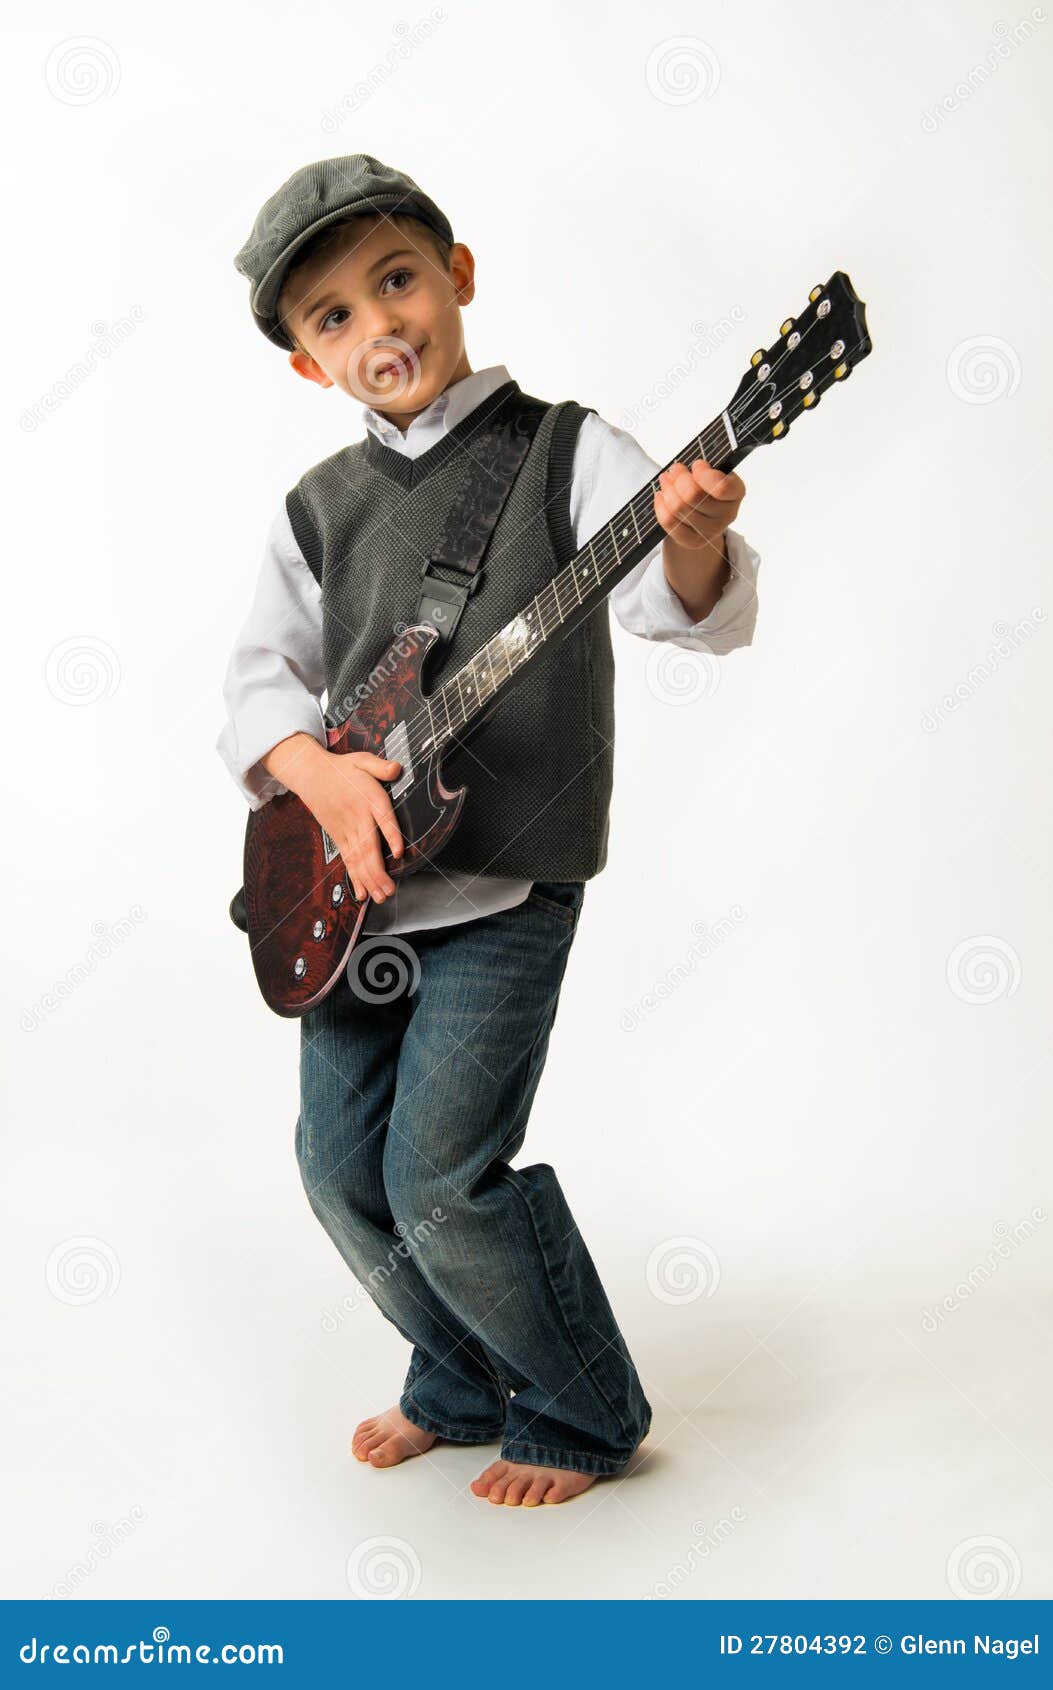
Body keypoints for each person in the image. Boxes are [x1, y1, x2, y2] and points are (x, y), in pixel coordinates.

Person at [218, 154, 760, 1507]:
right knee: (342, 1173)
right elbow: (254, 684)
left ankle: (584, 1408)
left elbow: (667, 602)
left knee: (442, 1178)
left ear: (458, 276)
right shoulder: (318, 510)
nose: (377, 327)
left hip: (501, 890)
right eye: (332, 317)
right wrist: (319, 777)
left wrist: (688, 536)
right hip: (352, 896)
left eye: (396, 280)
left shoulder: (570, 453)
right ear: (304, 363)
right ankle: (457, 1379)